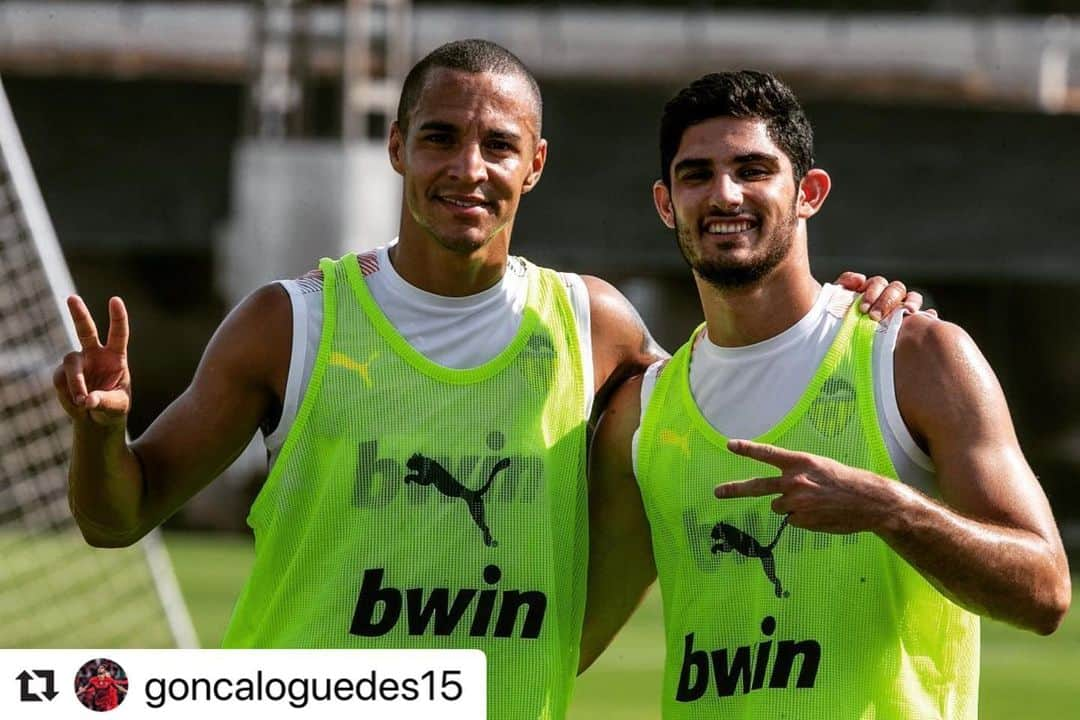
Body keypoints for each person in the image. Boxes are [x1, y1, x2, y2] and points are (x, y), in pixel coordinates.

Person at [54, 41, 913, 720]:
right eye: (439, 138)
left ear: (534, 164)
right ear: (397, 148)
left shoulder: (594, 327)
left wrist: (855, 315)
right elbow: (116, 517)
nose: (468, 167)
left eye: (498, 145)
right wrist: (100, 432)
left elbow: (735, 386)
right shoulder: (293, 323)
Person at [585, 69, 1071, 719]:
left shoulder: (912, 358)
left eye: (754, 169)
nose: (724, 193)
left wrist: (891, 509)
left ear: (809, 192)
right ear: (666, 203)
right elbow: (564, 637)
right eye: (696, 174)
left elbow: (1044, 592)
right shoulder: (642, 415)